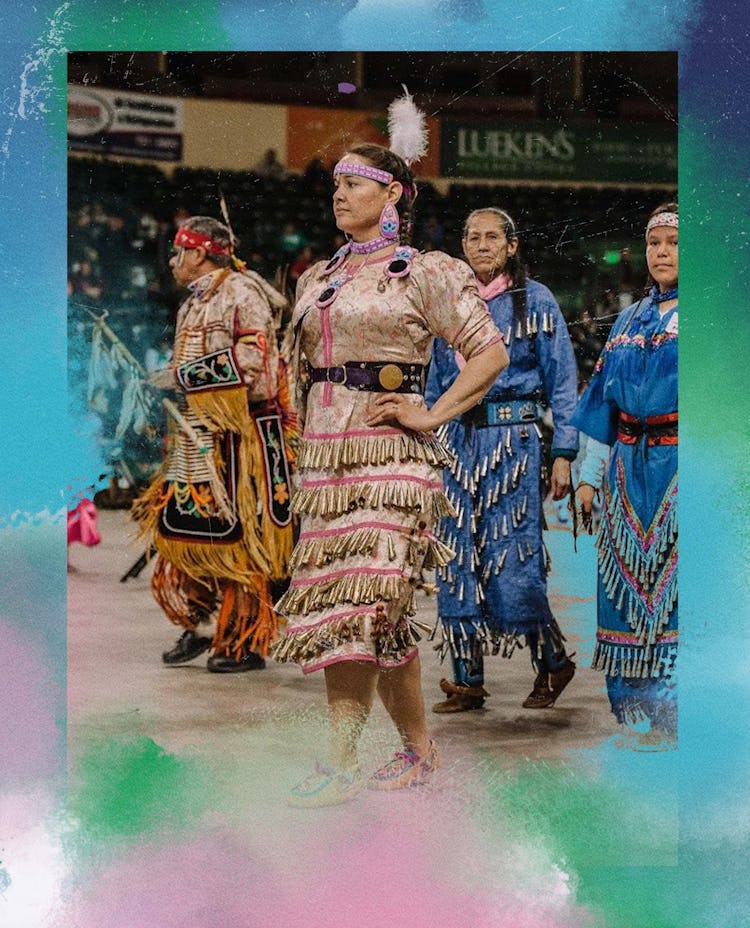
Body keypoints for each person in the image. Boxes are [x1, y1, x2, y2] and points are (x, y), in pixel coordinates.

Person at [272, 143, 508, 807]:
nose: (339, 194)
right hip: (326, 464)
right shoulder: (316, 276)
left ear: (394, 193)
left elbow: (489, 352)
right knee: (385, 618)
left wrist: (434, 411)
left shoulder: (424, 270)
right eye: (336, 185)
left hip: (392, 463)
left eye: (355, 184)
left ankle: (340, 759)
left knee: (355, 608)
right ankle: (419, 749)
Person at [426, 207, 580, 713]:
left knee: (512, 560)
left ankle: (553, 661)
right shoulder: (450, 302)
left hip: (513, 443)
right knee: (455, 557)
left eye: (493, 237)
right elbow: (434, 383)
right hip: (455, 441)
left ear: (512, 246)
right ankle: (467, 679)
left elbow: (562, 382)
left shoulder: (535, 301)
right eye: (472, 237)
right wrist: (427, 443)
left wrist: (563, 452)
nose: (482, 245)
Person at [132, 216, 296, 673]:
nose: (172, 261)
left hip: (241, 438)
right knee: (188, 528)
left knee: (240, 540)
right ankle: (203, 624)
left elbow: (256, 365)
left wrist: (182, 378)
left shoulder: (242, 292)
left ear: (199, 253)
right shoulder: (194, 302)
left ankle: (242, 638)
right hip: (198, 433)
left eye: (179, 251)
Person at [573, 202, 678, 749]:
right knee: (627, 590)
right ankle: (640, 707)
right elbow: (600, 408)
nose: (662, 252)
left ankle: (677, 714)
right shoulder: (627, 320)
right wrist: (588, 478)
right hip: (625, 470)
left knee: (676, 591)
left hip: (682, 466)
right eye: (655, 243)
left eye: (675, 243)